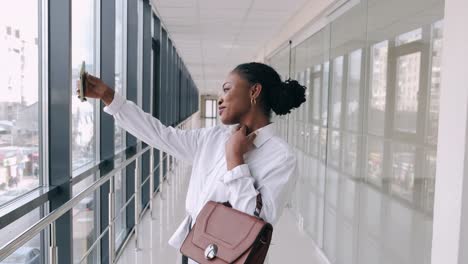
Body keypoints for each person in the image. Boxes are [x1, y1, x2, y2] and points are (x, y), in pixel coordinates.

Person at [78, 62, 306, 264]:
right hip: (193, 248)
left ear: (254, 91)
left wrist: (235, 160)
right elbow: (159, 135)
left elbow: (256, 221)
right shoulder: (214, 137)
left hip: (234, 258)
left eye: (227, 89)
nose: (220, 98)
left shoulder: (281, 157)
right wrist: (109, 97)